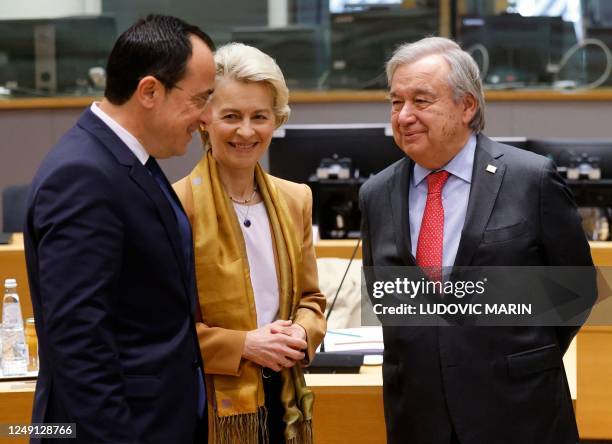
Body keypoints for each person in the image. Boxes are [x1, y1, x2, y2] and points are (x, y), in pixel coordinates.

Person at [359, 37, 595, 444]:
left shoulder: (530, 179)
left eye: (421, 100)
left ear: (467, 106)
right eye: (397, 102)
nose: (404, 116)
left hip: (518, 411)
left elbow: (575, 292)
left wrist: (517, 359)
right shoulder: (376, 193)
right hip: (418, 415)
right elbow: (386, 297)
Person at [23, 15, 215, 444]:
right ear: (149, 91)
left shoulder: (131, 161)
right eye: (200, 99)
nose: (205, 118)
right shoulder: (82, 175)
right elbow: (80, 346)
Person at [173, 43, 326, 444]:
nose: (246, 131)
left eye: (259, 116)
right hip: (207, 402)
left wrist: (303, 334)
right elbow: (164, 328)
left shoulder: (296, 200)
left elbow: (312, 300)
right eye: (231, 116)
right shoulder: (174, 206)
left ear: (276, 121)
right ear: (204, 119)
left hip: (285, 396)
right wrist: (244, 345)